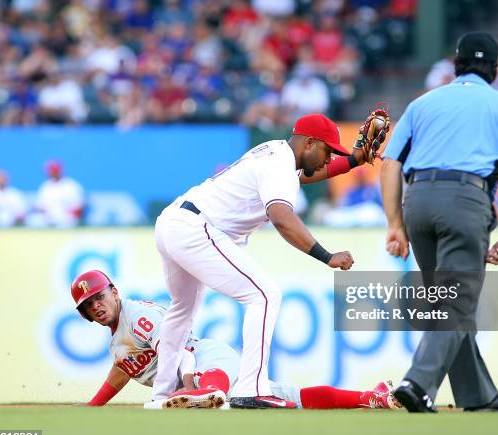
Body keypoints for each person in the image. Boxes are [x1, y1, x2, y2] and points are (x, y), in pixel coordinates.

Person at [152, 113, 380, 409]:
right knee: (264, 295)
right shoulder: (279, 165)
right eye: (328, 151)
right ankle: (251, 388)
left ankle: (161, 393)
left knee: (182, 309)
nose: (329, 159)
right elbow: (282, 218)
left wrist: (353, 160)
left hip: (172, 222)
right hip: (196, 229)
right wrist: (327, 256)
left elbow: (308, 175)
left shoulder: (277, 153)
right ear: (309, 143)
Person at [380, 32, 498, 413]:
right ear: (495, 70)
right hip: (466, 201)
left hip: (417, 202)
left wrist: (395, 224)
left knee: (448, 305)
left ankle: (479, 396)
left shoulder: (422, 103)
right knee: (457, 304)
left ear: (455, 65)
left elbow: (389, 163)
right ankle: (416, 383)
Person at [70, 270, 401, 410]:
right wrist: (93, 406)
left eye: (99, 297)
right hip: (205, 376)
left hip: (206, 361)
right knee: (294, 397)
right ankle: (374, 396)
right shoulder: (118, 341)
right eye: (88, 305)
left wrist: (188, 385)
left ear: (114, 291)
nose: (96, 306)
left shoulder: (137, 315)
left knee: (215, 391)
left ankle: (207, 394)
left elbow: (177, 352)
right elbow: (123, 368)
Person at [32, 160, 85, 227]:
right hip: (48, 218)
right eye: (51, 171)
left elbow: (79, 207)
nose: (53, 173)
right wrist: (48, 214)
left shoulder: (71, 185)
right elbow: (39, 206)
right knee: (34, 220)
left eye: (55, 170)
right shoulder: (45, 186)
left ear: (60, 171)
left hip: (66, 218)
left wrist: (64, 215)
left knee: (67, 221)